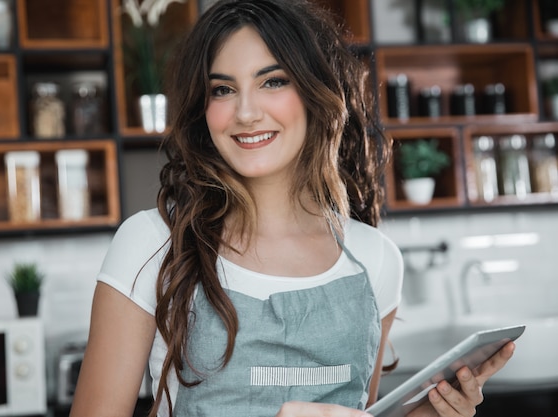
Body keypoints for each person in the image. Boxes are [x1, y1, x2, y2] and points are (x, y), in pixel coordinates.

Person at [69, 1, 516, 416]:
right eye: (222, 89)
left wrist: (423, 412)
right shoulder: (151, 245)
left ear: (314, 93)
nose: (245, 112)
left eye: (273, 81)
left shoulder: (374, 259)